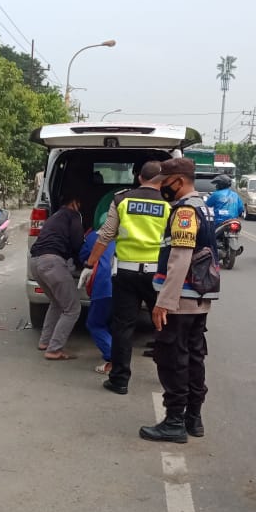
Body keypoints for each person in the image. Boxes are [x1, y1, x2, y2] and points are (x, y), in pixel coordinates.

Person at [140, 157, 219, 442]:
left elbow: (180, 257)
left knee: (173, 357)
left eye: (165, 182)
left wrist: (164, 302)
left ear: (179, 181)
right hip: (197, 298)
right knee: (195, 356)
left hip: (182, 298)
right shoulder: (204, 208)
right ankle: (193, 418)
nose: (162, 187)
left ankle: (174, 421)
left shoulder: (185, 211)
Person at [81, 161, 170, 395]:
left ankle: (119, 380)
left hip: (126, 272)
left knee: (123, 328)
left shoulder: (122, 200)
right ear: (162, 181)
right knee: (162, 325)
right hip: (156, 275)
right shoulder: (169, 204)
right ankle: (169, 378)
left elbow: (106, 235)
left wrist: (90, 264)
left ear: (140, 177)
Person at [29, 196, 85, 360]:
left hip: (35, 263)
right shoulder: (73, 215)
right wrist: (83, 263)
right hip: (52, 262)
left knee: (57, 302)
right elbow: (77, 243)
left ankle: (45, 342)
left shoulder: (53, 216)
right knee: (73, 308)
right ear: (74, 202)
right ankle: (54, 350)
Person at [79, 224, 115, 374]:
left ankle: (113, 359)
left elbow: (83, 256)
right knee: (118, 325)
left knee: (95, 323)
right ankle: (119, 358)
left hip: (103, 286)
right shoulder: (125, 237)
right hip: (125, 285)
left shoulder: (94, 236)